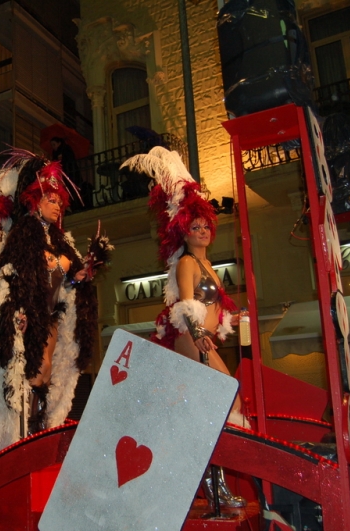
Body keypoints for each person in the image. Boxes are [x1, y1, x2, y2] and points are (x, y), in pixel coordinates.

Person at [0, 151, 111, 452]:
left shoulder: (61, 242)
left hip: (53, 318)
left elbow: (67, 281)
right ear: (35, 201)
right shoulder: (23, 234)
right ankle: (20, 440)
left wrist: (80, 275)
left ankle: (38, 433)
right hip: (31, 317)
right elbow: (7, 275)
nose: (57, 207)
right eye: (51, 200)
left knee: (46, 374)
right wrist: (15, 313)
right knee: (32, 371)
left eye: (59, 202)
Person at [123, 146, 246, 509]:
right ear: (184, 231)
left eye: (206, 225)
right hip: (190, 338)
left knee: (208, 411)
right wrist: (199, 332)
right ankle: (213, 488)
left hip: (203, 339)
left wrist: (228, 320)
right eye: (195, 226)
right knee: (227, 398)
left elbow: (211, 309)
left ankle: (212, 486)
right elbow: (187, 305)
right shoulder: (188, 264)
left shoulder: (210, 267)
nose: (203, 230)